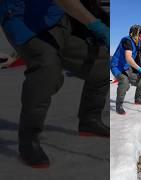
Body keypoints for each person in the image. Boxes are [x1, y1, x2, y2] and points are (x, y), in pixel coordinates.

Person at [0, 0, 109, 168]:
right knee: (47, 70)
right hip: (22, 20)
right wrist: (95, 24)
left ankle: (90, 120)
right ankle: (29, 141)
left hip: (57, 19)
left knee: (101, 64)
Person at [111, 25, 141, 115]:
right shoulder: (127, 41)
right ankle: (119, 106)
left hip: (128, 67)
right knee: (124, 82)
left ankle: (138, 99)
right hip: (117, 66)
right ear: (140, 36)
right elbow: (128, 58)